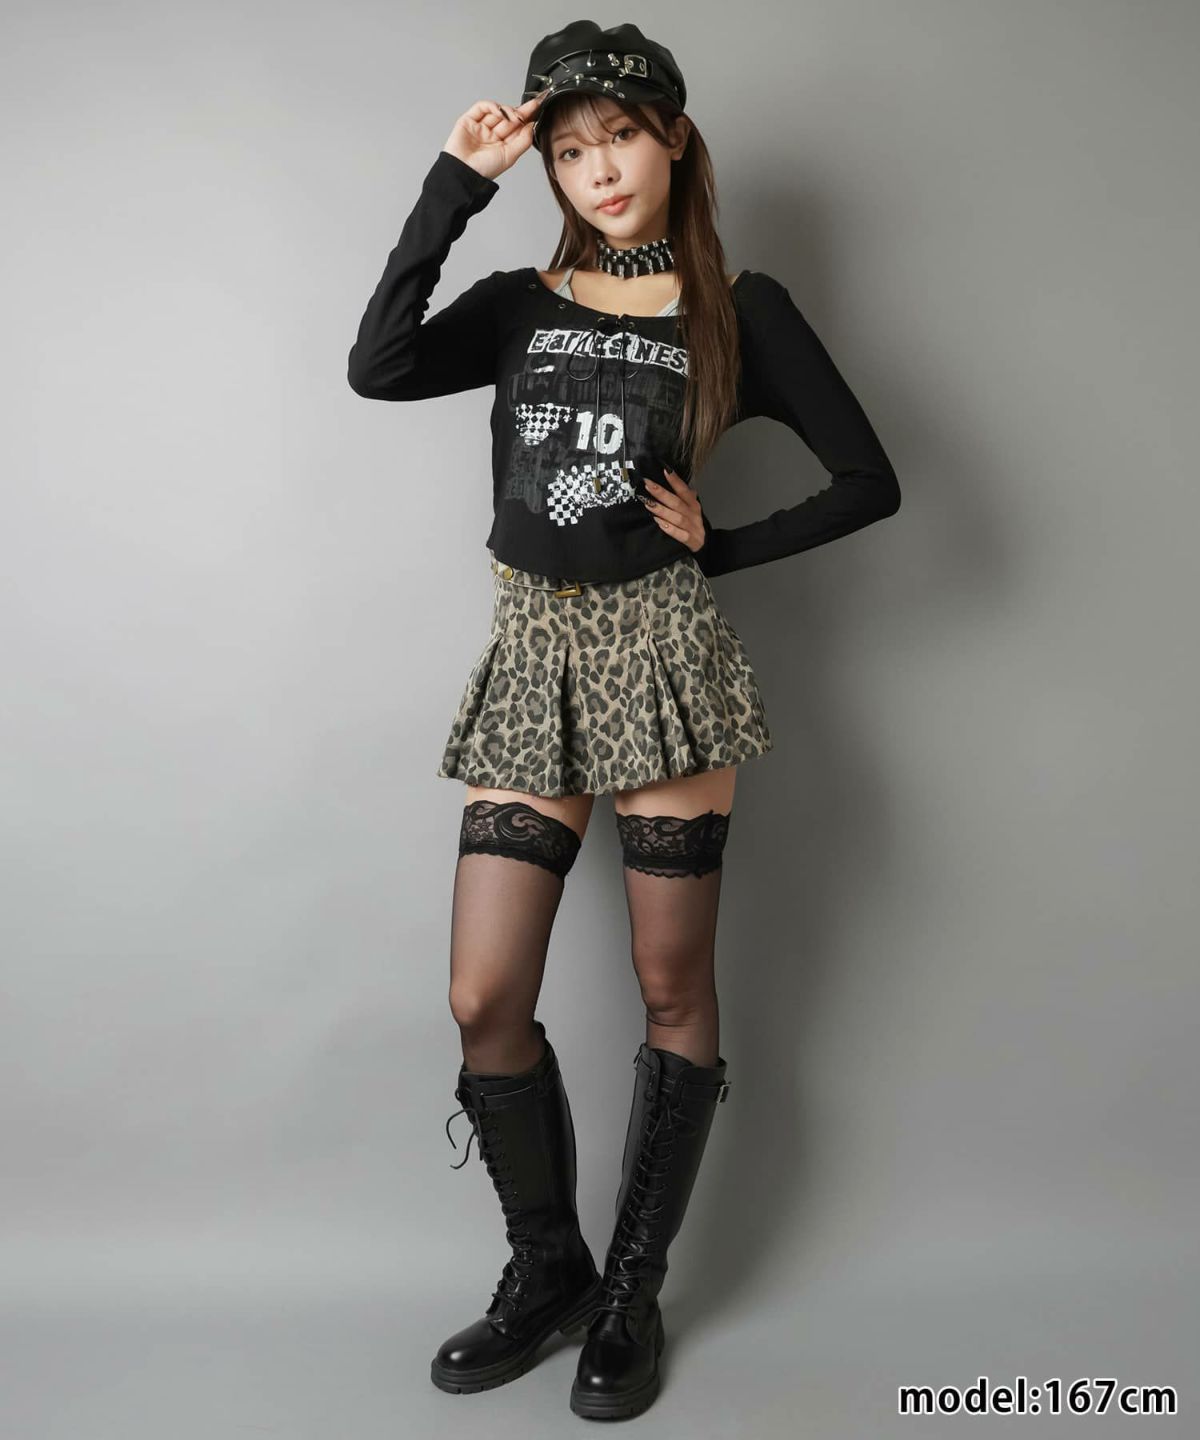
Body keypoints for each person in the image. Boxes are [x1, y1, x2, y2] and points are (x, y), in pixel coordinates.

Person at [347, 20, 901, 1420]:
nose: (598, 170)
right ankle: (549, 1269)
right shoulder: (520, 303)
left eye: (621, 139)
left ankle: (631, 1293)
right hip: (533, 653)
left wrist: (720, 548)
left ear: (675, 141)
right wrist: (454, 184)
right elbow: (379, 364)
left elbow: (868, 480)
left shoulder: (740, 310)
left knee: (671, 986)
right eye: (572, 151)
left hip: (663, 656)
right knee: (484, 998)